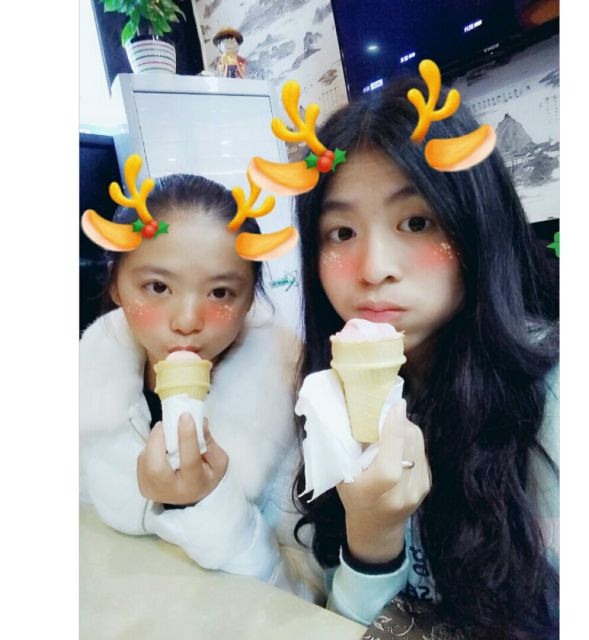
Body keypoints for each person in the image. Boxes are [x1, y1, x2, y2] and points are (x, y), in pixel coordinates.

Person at [292, 78, 559, 638]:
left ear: (477, 223)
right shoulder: (324, 398)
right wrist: (371, 541)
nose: (373, 268)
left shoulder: (555, 400)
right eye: (341, 232)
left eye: (416, 222)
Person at [79, 173, 321, 600]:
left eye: (221, 293)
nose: (188, 320)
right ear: (116, 285)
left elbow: (307, 591)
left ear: (250, 299)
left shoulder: (292, 401)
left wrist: (205, 505)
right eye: (158, 287)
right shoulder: (85, 379)